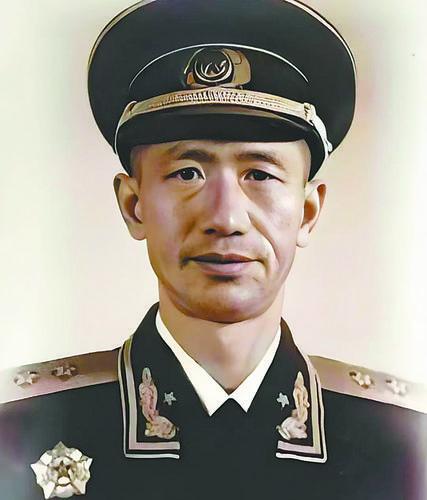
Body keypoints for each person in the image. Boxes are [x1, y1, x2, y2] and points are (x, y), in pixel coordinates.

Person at [1, 0, 426, 499]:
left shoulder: (404, 447)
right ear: (134, 205)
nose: (225, 218)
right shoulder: (17, 432)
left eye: (259, 174)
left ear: (308, 212)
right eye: (188, 173)